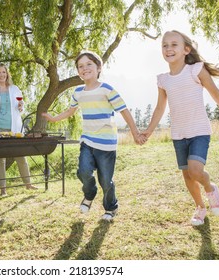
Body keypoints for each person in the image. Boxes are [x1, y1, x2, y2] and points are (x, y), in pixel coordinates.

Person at [142, 30, 219, 226]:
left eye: (174, 44)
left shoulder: (195, 70)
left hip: (199, 131)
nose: (169, 49)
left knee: (196, 171)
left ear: (185, 50)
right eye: (165, 45)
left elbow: (216, 94)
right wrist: (149, 130)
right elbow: (160, 107)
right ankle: (200, 207)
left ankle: (210, 187)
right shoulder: (163, 79)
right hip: (178, 134)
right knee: (187, 175)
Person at [42, 50, 144, 221]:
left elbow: (124, 110)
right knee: (83, 172)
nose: (84, 68)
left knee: (106, 180)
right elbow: (70, 111)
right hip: (88, 140)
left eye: (89, 64)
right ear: (78, 72)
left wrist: (135, 133)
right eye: (80, 66)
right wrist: (54, 118)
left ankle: (111, 208)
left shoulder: (107, 89)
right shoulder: (78, 92)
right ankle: (89, 194)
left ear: (98, 67)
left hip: (106, 143)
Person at [0, 62, 37, 196]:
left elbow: (21, 106)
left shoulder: (15, 89)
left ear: (7, 74)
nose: (2, 75)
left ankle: (28, 184)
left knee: (20, 156)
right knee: (0, 159)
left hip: (14, 128)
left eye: (4, 72)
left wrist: (21, 106)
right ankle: (3, 189)